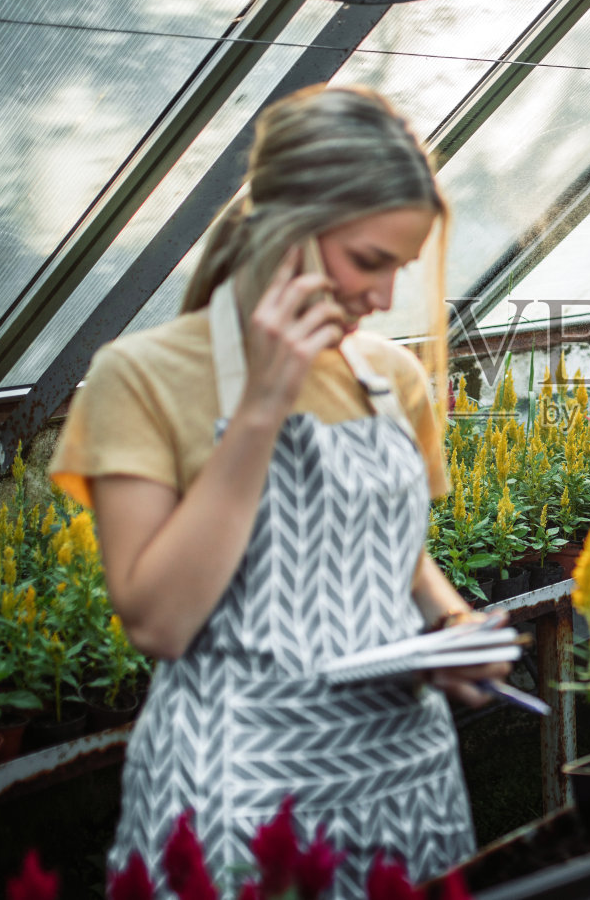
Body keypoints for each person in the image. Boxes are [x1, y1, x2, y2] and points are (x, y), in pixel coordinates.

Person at [49, 85, 506, 896]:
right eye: (369, 261)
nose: (385, 298)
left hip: (404, 778)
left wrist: (455, 625)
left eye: (401, 267)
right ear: (285, 232)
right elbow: (159, 619)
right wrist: (261, 404)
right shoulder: (141, 377)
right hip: (242, 792)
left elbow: (391, 550)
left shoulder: (388, 375)